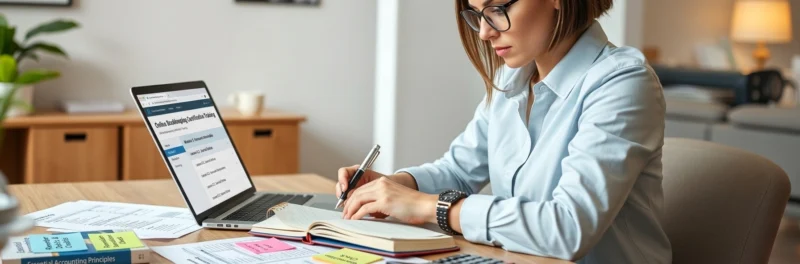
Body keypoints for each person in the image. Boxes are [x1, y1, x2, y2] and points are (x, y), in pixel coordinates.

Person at [336, 0, 672, 263]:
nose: (484, 32)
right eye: (477, 14)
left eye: (498, 9)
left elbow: (568, 228)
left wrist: (429, 206)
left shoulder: (622, 83)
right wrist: (394, 186)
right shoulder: (511, 82)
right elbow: (458, 170)